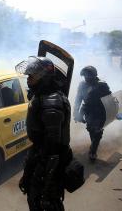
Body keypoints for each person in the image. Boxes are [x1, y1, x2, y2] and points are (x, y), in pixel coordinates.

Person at [18, 56, 73, 211]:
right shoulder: (42, 96)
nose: (28, 79)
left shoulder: (52, 102)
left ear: (44, 77)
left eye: (31, 76)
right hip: (40, 155)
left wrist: (47, 185)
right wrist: (28, 174)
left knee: (46, 203)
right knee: (33, 195)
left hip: (49, 161)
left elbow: (53, 148)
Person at [74, 66, 111, 161]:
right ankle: (94, 144)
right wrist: (76, 112)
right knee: (91, 129)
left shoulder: (102, 85)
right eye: (85, 76)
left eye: (88, 76)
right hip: (88, 110)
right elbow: (78, 99)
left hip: (100, 111)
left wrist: (114, 112)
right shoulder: (82, 85)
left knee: (98, 131)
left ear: (94, 75)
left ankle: (92, 151)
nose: (86, 78)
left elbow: (110, 99)